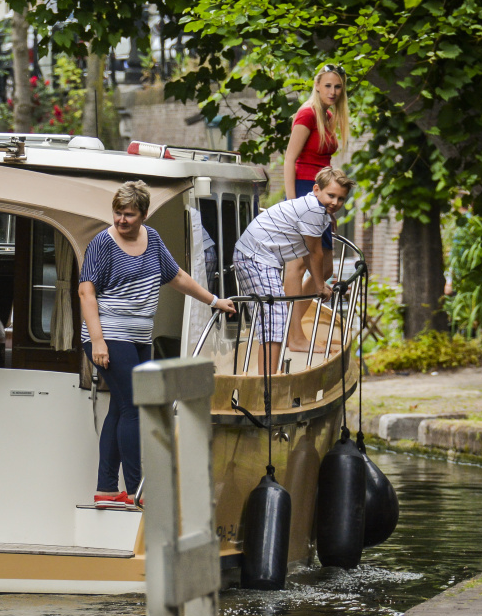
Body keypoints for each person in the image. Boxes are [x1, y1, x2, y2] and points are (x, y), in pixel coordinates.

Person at [79, 180, 237, 509]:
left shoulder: (152, 240)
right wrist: (97, 341)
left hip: (140, 337)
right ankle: (138, 490)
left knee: (120, 408)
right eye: (118, 213)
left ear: (144, 214)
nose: (121, 220)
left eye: (129, 214)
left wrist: (214, 300)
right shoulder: (102, 243)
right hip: (110, 334)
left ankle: (106, 488)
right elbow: (86, 292)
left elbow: (176, 276)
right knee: (136, 406)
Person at [233, 167, 355, 374]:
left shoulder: (313, 207)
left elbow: (308, 251)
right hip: (256, 257)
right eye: (331, 195)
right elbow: (315, 253)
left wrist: (319, 283)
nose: (335, 202)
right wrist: (319, 286)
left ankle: (274, 372)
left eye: (341, 199)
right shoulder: (313, 211)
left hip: (257, 256)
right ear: (316, 189)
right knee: (274, 317)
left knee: (276, 316)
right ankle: (269, 380)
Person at [282, 64, 350, 352]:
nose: (333, 91)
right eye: (328, 86)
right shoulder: (308, 114)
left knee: (325, 266)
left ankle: (291, 327)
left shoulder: (329, 116)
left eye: (338, 86)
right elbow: (290, 160)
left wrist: (329, 211)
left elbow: (325, 164)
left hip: (322, 195)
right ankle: (294, 335)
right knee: (298, 264)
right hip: (304, 191)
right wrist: (292, 203)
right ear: (317, 85)